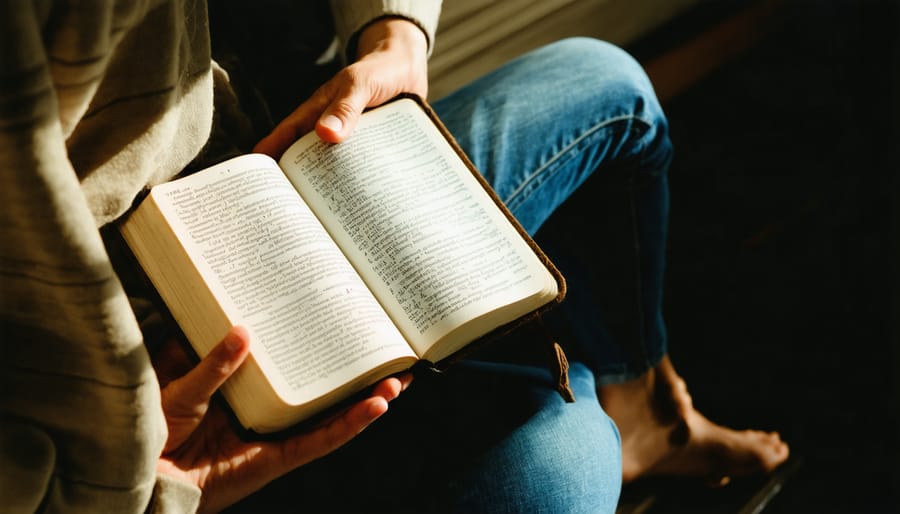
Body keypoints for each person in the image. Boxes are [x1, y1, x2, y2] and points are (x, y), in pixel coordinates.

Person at [0, 1, 789, 513]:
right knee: (563, 460)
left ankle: (647, 406)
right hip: (133, 376)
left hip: (268, 169)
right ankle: (616, 414)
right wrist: (152, 492)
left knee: (610, 86)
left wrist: (393, 35)